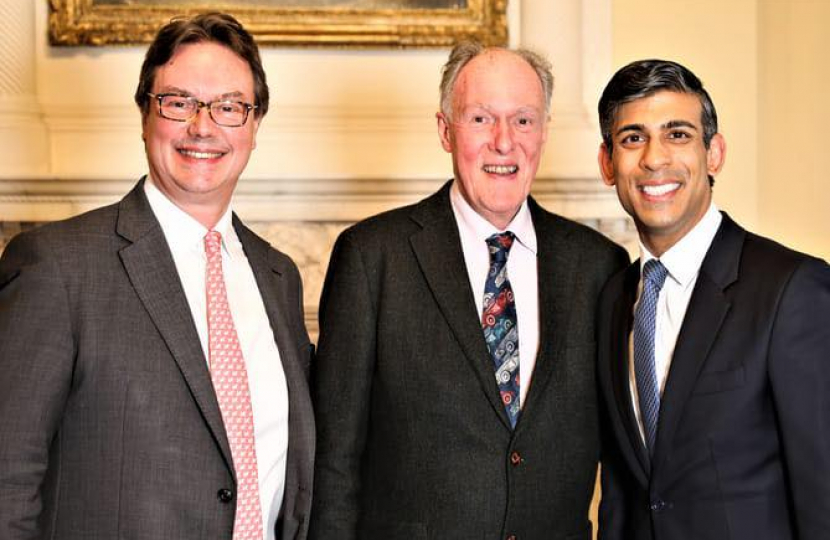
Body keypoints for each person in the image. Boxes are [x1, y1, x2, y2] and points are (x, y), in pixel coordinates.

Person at [0, 13, 314, 540]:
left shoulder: (278, 276)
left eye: (230, 106)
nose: (203, 127)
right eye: (179, 102)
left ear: (254, 126)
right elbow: (7, 481)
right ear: (145, 113)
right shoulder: (56, 267)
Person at [309, 41, 629, 540]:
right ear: (445, 130)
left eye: (523, 120)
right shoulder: (373, 258)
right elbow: (333, 462)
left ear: (543, 132)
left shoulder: (598, 266)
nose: (504, 142)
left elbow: (620, 460)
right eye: (481, 119)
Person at [595, 59, 830, 539]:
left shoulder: (792, 289)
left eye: (677, 134)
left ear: (714, 153)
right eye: (633, 138)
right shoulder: (613, 299)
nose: (655, 159)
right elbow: (626, 491)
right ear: (607, 163)